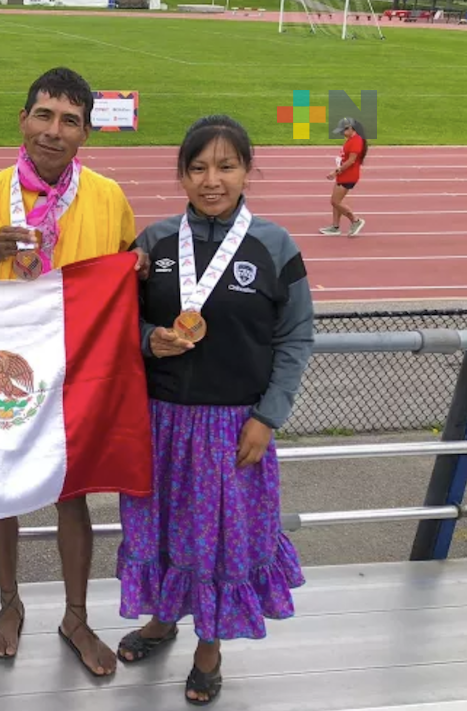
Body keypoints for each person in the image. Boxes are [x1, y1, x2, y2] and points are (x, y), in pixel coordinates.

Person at [0, 66, 147, 678]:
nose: (53, 131)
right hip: (2, 371)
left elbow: (124, 279)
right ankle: (10, 604)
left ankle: (76, 615)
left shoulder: (107, 198)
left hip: (74, 373)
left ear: (86, 134)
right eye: (44, 115)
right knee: (0, 490)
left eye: (70, 121)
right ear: (23, 120)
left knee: (72, 493)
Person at [115, 115, 314, 705]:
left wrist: (268, 416)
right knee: (161, 532)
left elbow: (296, 337)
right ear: (181, 174)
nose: (211, 180)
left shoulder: (276, 247)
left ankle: (209, 647)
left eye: (226, 166)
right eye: (198, 167)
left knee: (218, 543)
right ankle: (161, 621)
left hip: (234, 427)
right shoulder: (151, 244)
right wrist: (150, 336)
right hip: (160, 423)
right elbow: (116, 323)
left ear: (248, 171)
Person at [320, 116, 367, 237]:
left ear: (351, 128)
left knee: (335, 202)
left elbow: (351, 161)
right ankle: (335, 227)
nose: (342, 133)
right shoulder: (350, 139)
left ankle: (355, 220)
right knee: (336, 201)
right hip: (343, 174)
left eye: (343, 130)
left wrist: (336, 171)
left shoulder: (356, 141)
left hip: (349, 176)